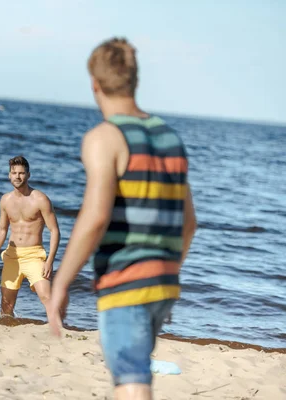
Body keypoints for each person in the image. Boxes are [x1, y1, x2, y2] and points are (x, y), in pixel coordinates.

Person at [47, 37, 197, 400]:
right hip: (164, 281)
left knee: (131, 380)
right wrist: (167, 272)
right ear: (135, 81)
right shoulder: (169, 136)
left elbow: (96, 216)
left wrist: (62, 282)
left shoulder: (105, 137)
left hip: (127, 281)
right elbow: (189, 221)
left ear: (94, 85)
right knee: (129, 374)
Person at [0, 155, 64, 318]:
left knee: (47, 296)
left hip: (34, 255)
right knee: (6, 307)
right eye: (14, 173)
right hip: (12, 256)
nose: (17, 176)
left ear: (28, 175)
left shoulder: (40, 199)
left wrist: (49, 261)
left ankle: (60, 330)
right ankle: (8, 331)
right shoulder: (5, 200)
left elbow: (54, 230)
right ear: (9, 175)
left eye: (21, 173)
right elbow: (1, 229)